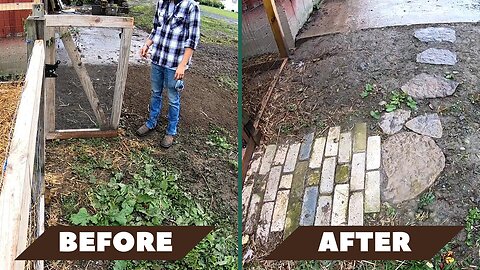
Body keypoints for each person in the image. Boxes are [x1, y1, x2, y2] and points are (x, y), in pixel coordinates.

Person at [136, 0, 200, 148]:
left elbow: (193, 40)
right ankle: (151, 122)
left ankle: (171, 131)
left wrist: (182, 65)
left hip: (175, 63)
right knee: (155, 92)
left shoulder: (191, 6)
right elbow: (156, 28)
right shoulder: (161, 3)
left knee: (173, 98)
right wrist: (146, 45)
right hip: (158, 58)